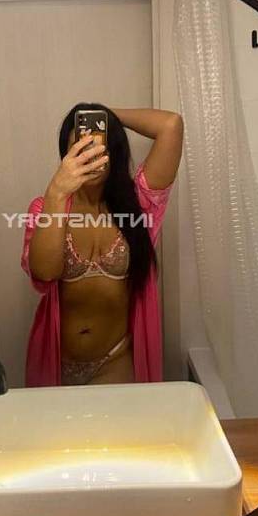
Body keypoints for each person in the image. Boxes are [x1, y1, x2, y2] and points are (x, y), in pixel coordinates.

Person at [21, 102, 184, 387]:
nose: (90, 155)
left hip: (115, 360)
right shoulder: (46, 207)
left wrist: (105, 115)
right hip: (58, 362)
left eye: (98, 143)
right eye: (81, 147)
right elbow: (44, 272)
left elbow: (171, 125)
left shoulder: (139, 204)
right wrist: (57, 193)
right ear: (66, 156)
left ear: (114, 150)